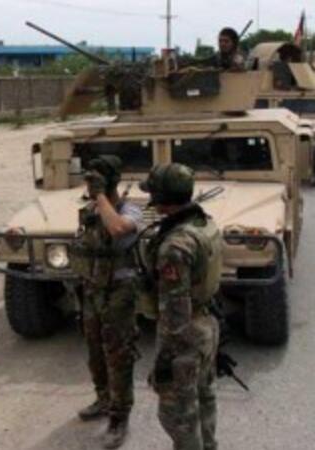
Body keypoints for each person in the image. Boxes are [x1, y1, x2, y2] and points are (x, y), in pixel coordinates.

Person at [140, 163, 223, 450]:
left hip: (185, 335)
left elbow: (175, 311)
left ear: (161, 197)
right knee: (204, 397)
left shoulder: (175, 247)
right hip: (206, 324)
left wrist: (165, 359)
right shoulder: (202, 223)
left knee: (178, 414)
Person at [71, 155, 141, 449]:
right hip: (92, 290)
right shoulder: (90, 209)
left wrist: (101, 196)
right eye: (89, 181)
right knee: (95, 351)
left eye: (95, 181)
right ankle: (103, 398)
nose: (89, 187)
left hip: (119, 291)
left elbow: (117, 229)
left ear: (109, 182)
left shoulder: (130, 210)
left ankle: (119, 417)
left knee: (118, 355)